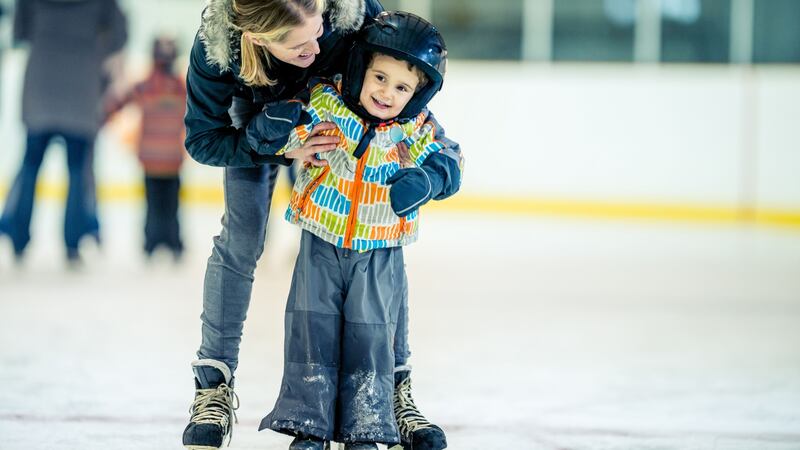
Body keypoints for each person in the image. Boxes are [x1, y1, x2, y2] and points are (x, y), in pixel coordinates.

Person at [181, 1, 462, 449]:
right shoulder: (219, 49)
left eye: (319, 34)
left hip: (335, 108)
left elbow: (403, 70)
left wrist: (431, 165)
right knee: (241, 240)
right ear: (258, 40)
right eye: (300, 46)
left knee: (379, 243)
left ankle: (394, 391)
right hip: (255, 123)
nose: (315, 47)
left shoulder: (350, 13)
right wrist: (276, 148)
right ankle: (213, 384)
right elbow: (203, 139)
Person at [0, 0, 127, 264]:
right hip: (82, 84)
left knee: (30, 165)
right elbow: (118, 35)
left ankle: (18, 238)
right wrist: (90, 45)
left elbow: (20, 32)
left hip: (41, 83)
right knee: (78, 170)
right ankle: (73, 241)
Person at [104, 37, 187, 260]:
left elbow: (116, 102)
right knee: (172, 205)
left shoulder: (146, 85)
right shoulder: (181, 87)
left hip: (150, 158)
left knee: (152, 204)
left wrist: (103, 115)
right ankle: (173, 243)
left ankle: (151, 243)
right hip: (172, 158)